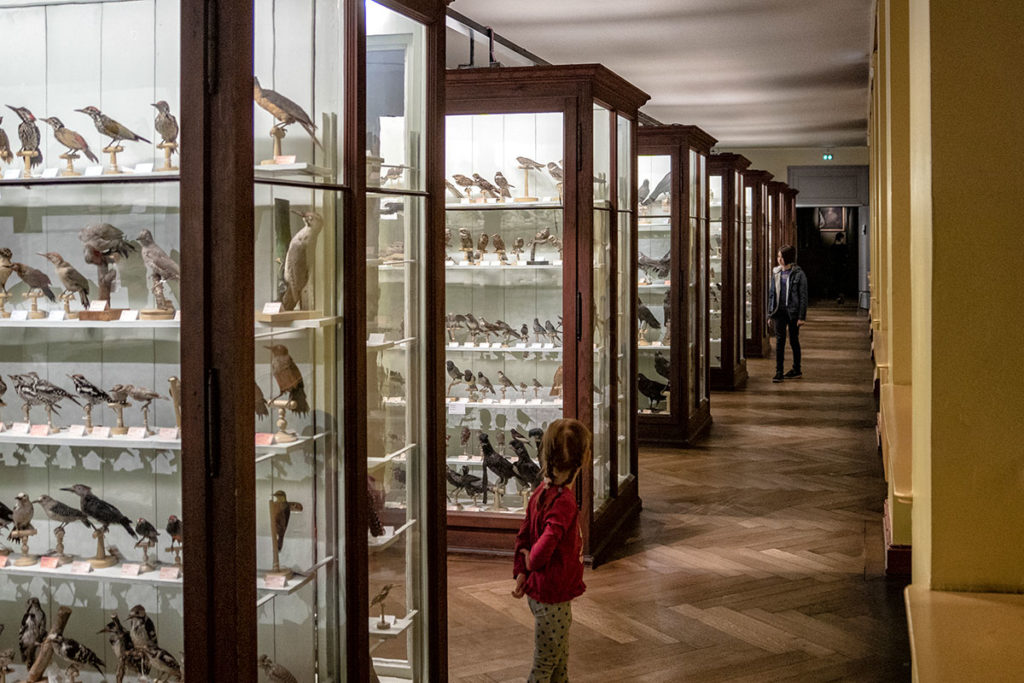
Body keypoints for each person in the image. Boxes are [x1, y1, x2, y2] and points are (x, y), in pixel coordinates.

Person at [512, 418, 591, 682]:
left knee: (558, 658)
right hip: (552, 594)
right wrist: (532, 562)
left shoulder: (541, 492)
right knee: (546, 662)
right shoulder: (564, 501)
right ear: (583, 459)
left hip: (544, 591)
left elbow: (524, 533)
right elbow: (547, 540)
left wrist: (522, 570)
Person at [767, 244, 808, 383]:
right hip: (779, 311)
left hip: (793, 312)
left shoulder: (799, 274)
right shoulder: (776, 273)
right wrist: (769, 314)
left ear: (788, 258)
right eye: (778, 256)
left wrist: (802, 317)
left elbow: (803, 297)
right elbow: (772, 294)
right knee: (780, 341)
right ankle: (778, 371)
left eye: (781, 257)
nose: (779, 259)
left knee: (794, 340)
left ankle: (796, 369)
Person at [829, 231, 849, 305]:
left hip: (835, 267)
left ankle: (837, 296)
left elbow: (830, 257)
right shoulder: (844, 247)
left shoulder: (832, 247)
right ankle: (840, 296)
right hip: (841, 266)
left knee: (836, 282)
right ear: (841, 238)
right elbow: (846, 256)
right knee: (841, 282)